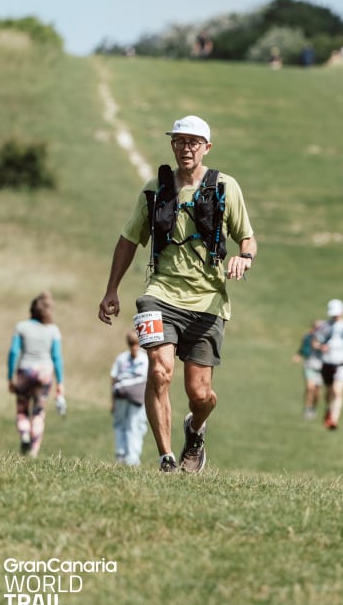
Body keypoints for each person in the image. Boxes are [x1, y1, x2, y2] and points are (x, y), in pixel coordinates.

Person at [97, 115, 257, 474]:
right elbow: (128, 240)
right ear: (172, 145)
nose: (186, 148)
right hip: (160, 294)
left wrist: (244, 257)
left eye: (193, 142)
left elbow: (247, 237)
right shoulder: (155, 189)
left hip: (208, 302)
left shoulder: (225, 187)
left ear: (207, 147)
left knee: (200, 395)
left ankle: (195, 429)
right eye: (180, 141)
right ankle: (166, 458)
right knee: (159, 370)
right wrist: (111, 290)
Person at [7, 292, 64, 457]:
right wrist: (60, 382)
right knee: (38, 412)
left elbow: (14, 352)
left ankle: (24, 434)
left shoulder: (21, 327)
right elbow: (57, 357)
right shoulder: (53, 330)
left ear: (31, 310)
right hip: (44, 373)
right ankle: (33, 451)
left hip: (25, 371)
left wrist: (10, 376)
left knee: (22, 409)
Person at [314, 299, 343, 430]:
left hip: (342, 363)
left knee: (338, 390)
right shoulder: (324, 326)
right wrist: (321, 347)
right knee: (329, 391)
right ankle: (328, 409)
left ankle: (334, 419)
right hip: (327, 362)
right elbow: (315, 342)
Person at [110, 330, 149, 465]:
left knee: (123, 424)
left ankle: (122, 455)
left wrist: (112, 401)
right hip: (136, 396)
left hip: (122, 393)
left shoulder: (121, 358)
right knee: (134, 425)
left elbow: (114, 378)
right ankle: (131, 458)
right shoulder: (145, 358)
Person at [293, 320, 324, 419]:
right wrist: (299, 355)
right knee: (310, 387)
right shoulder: (308, 336)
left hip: (322, 367)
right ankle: (307, 408)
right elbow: (303, 347)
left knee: (317, 392)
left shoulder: (327, 338)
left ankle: (313, 408)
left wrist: (320, 347)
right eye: (316, 327)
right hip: (310, 364)